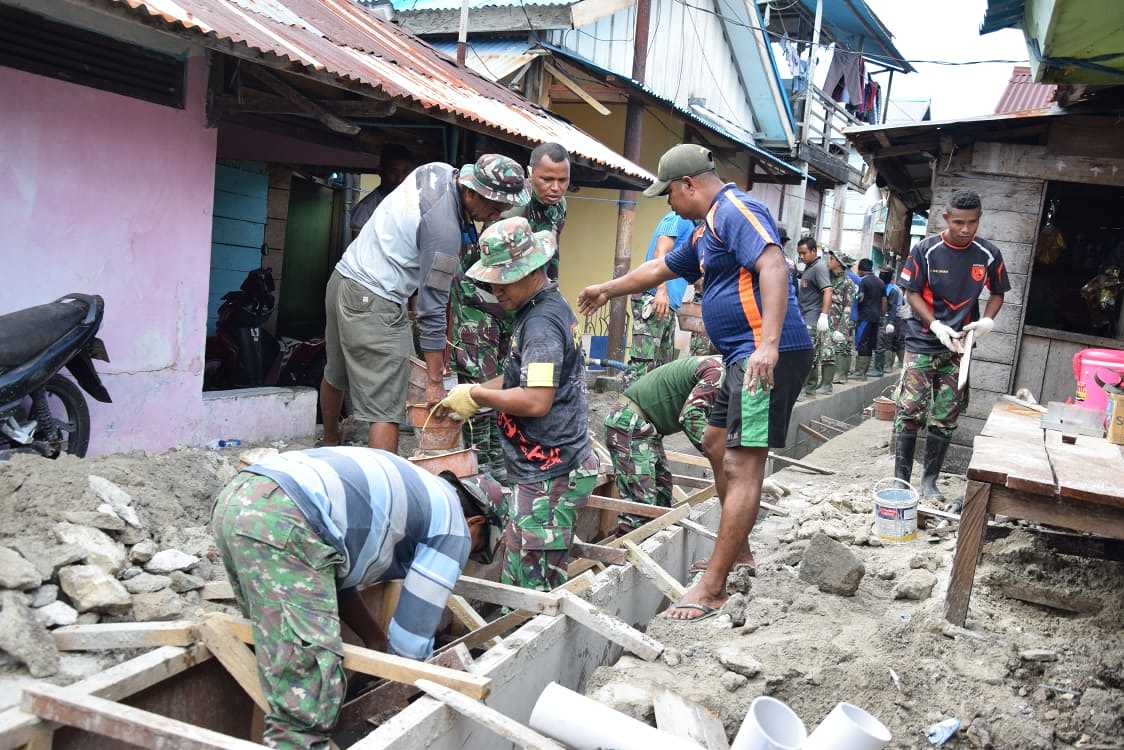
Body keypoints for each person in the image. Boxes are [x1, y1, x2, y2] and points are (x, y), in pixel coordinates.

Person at [577, 144, 812, 620]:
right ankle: (738, 553)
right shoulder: (705, 231)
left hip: (765, 356)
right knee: (714, 441)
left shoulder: (736, 209)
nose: (667, 204)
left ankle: (712, 587)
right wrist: (607, 288)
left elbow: (773, 264)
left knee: (744, 465)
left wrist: (767, 343)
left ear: (689, 184)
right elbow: (659, 269)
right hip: (741, 355)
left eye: (668, 194)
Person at [211, 447, 499, 749]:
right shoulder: (455, 527)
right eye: (477, 549)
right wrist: (411, 705)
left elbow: (332, 579)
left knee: (278, 651)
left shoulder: (420, 492)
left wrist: (374, 641)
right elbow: (410, 644)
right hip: (286, 517)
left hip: (242, 496)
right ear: (475, 523)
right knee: (305, 700)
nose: (466, 557)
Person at [320, 154, 528, 453]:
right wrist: (434, 380)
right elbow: (430, 308)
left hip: (343, 280)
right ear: (470, 192)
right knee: (386, 406)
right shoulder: (444, 232)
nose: (496, 215)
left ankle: (328, 441)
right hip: (375, 298)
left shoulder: (438, 172)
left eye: (504, 208)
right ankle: (389, 489)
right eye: (494, 207)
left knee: (336, 372)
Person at [438, 217, 597, 592]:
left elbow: (535, 400)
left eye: (503, 279)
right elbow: (519, 381)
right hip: (543, 464)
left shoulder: (541, 324)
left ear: (531, 271)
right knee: (520, 565)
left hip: (549, 471)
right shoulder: (539, 309)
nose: (495, 288)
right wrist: (476, 394)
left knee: (533, 587)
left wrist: (477, 396)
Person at [895, 189, 1009, 502]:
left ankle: (930, 482)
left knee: (946, 415)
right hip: (922, 341)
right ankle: (900, 481)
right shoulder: (925, 249)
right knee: (909, 410)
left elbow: (998, 292)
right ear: (946, 218)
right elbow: (911, 292)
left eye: (972, 222)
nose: (965, 229)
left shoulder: (988, 254)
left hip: (959, 347)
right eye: (959, 222)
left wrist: (987, 320)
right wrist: (934, 324)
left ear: (979, 219)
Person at [448, 156, 534, 481]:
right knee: (478, 388)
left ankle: (495, 457)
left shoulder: (531, 214)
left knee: (499, 386)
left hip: (500, 316)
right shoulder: (493, 227)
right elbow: (467, 284)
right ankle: (479, 462)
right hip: (476, 317)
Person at [605, 355, 724, 533]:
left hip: (646, 428)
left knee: (662, 496)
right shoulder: (717, 372)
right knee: (641, 508)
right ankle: (624, 554)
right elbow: (691, 416)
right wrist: (721, 457)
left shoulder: (724, 371)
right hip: (629, 423)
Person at [625, 211, 697, 384]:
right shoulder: (677, 218)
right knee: (643, 361)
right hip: (653, 297)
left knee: (661, 366)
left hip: (669, 303)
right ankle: (628, 408)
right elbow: (660, 252)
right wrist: (661, 291)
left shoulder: (694, 227)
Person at [505, 142, 570, 280]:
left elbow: (553, 247)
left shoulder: (561, 204)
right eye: (547, 179)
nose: (556, 188)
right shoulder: (514, 205)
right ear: (530, 173)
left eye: (563, 180)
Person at [349, 144, 417, 236]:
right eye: (394, 172)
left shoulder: (419, 202)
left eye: (406, 172)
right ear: (380, 171)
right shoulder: (365, 211)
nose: (400, 179)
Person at [796, 237, 834, 397]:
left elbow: (828, 290)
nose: (802, 257)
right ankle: (810, 388)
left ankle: (803, 390)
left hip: (812, 317)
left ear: (813, 251)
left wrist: (823, 315)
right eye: (799, 254)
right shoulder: (809, 267)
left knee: (805, 355)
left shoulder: (819, 268)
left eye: (804, 253)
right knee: (809, 353)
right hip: (805, 315)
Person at [852, 259, 885, 380]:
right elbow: (884, 301)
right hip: (876, 317)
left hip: (864, 316)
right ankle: (864, 372)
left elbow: (860, 298)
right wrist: (881, 315)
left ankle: (859, 372)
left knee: (861, 342)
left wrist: (854, 299)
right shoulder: (880, 282)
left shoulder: (863, 281)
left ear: (861, 269)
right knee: (870, 343)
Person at [827, 251, 856, 384]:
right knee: (829, 347)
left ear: (839, 262)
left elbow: (848, 307)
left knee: (842, 347)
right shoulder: (829, 278)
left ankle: (841, 375)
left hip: (841, 320)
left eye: (832, 258)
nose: (829, 260)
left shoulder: (847, 282)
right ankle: (831, 374)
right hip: (829, 318)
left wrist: (842, 328)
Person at [876, 270, 905, 374]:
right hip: (894, 318)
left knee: (888, 342)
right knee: (893, 342)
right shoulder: (891, 288)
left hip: (892, 318)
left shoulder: (892, 290)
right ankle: (892, 364)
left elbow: (893, 307)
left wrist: (891, 322)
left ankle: (888, 366)